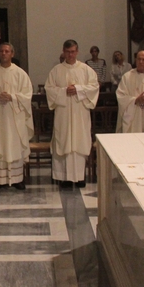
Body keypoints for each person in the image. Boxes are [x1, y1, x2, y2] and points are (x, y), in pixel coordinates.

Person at [45, 39, 100, 189]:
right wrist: (64, 91)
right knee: (63, 140)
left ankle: (79, 177)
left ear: (77, 52)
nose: (70, 54)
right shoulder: (56, 70)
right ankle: (65, 178)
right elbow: (49, 89)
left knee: (79, 141)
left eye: (73, 51)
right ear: (63, 52)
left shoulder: (86, 70)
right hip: (63, 114)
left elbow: (94, 87)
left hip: (80, 113)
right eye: (68, 51)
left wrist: (78, 89)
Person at [0, 42, 34, 190]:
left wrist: (12, 98)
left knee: (14, 145)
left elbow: (27, 95)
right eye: (1, 51)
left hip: (15, 118)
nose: (4, 53)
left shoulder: (20, 74)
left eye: (7, 51)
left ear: (12, 54)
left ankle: (17, 179)